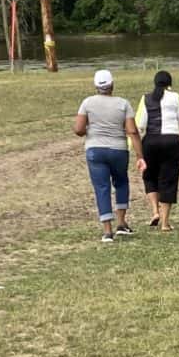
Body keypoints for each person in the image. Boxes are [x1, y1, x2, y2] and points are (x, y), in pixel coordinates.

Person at [74, 69, 146, 243]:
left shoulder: (87, 103)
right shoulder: (123, 104)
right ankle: (121, 223)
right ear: (112, 85)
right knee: (121, 182)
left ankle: (107, 230)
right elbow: (132, 131)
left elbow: (78, 129)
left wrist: (88, 130)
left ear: (96, 86)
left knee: (102, 188)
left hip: (95, 149)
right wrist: (140, 155)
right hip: (118, 150)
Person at [136, 71, 179, 233]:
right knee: (169, 179)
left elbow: (140, 123)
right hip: (172, 142)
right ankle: (165, 223)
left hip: (151, 141)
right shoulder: (175, 97)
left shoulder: (145, 98)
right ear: (170, 84)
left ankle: (155, 211)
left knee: (149, 175)